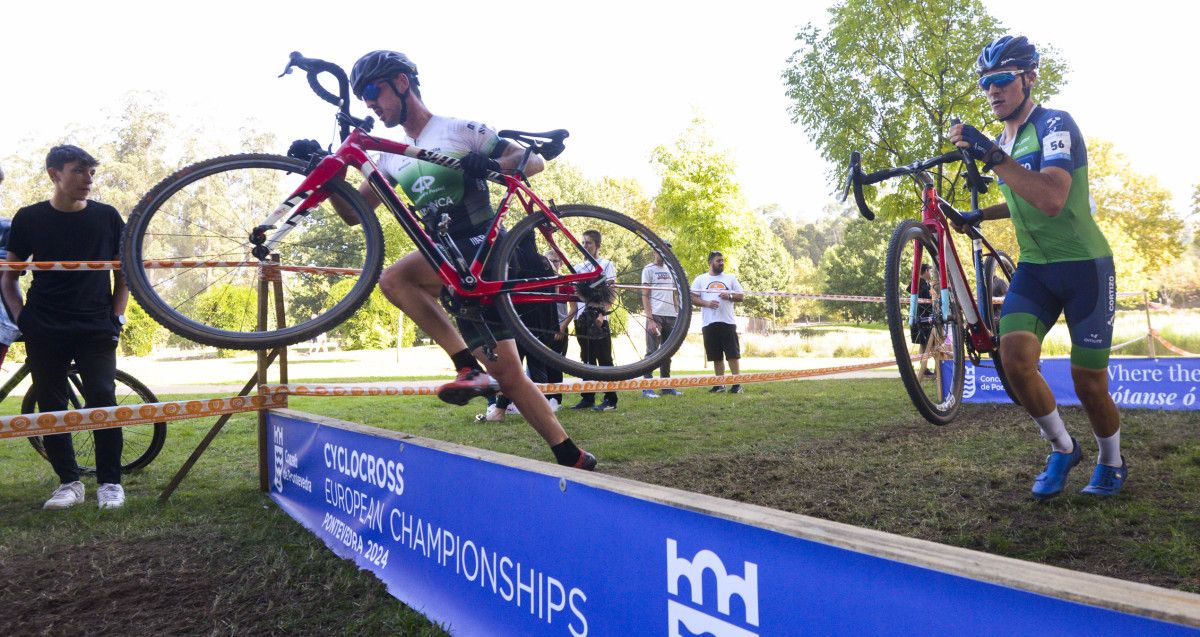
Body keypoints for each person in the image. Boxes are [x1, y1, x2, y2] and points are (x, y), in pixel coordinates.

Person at [326, 50, 594, 469]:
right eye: (362, 98)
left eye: (373, 92)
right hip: (451, 264)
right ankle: (572, 455)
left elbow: (532, 160)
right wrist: (326, 171)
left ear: (401, 83)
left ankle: (466, 367)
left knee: (395, 279)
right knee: (507, 373)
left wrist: (487, 163)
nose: (369, 104)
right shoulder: (390, 154)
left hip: (482, 247)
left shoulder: (458, 129)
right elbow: (349, 215)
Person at [950, 35, 1124, 498]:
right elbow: (1020, 192)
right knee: (1014, 360)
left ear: (1029, 78)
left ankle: (1112, 460)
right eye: (986, 82)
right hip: (1037, 270)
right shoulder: (1006, 139)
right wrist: (980, 215)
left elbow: (1049, 196)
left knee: (1088, 383)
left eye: (1002, 79)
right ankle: (1063, 448)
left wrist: (994, 158)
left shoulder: (1054, 125)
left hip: (1086, 267)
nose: (992, 90)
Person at [1, 145, 129, 509]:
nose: (88, 179)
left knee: (102, 397)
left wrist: (116, 316)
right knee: (51, 402)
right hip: (44, 325)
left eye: (91, 171)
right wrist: (21, 317)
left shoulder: (107, 216)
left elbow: (124, 274)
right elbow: (9, 278)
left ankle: (110, 484)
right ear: (54, 174)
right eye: (78, 171)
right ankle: (69, 483)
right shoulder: (28, 218)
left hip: (95, 325)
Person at [568, 229, 618, 412]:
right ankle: (587, 398)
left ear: (597, 245)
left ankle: (610, 399)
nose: (585, 246)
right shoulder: (578, 267)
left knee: (604, 358)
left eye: (588, 242)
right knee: (586, 358)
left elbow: (612, 291)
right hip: (582, 319)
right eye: (583, 242)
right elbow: (576, 294)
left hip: (598, 316)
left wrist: (603, 314)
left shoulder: (606, 265)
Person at [691, 251, 744, 393]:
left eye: (722, 260)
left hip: (727, 322)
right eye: (718, 261)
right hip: (709, 323)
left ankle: (737, 384)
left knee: (732, 354)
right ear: (710, 262)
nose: (722, 263)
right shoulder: (700, 279)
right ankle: (720, 384)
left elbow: (741, 296)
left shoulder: (730, 278)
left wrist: (730, 295)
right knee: (716, 356)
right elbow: (693, 298)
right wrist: (707, 303)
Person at [640, 243, 682, 397]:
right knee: (651, 352)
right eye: (661, 250)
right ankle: (647, 387)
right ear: (654, 251)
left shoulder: (671, 270)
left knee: (668, 352)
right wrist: (650, 318)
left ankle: (666, 386)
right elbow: (645, 295)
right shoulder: (648, 269)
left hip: (671, 315)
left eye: (667, 251)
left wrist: (678, 313)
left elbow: (674, 294)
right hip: (655, 315)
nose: (664, 253)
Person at [912, 264, 936, 377]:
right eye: (929, 271)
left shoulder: (924, 284)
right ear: (925, 271)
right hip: (923, 318)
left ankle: (924, 367)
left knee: (924, 344)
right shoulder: (920, 284)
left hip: (924, 317)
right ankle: (926, 368)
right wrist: (932, 289)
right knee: (928, 343)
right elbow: (929, 296)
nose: (930, 273)